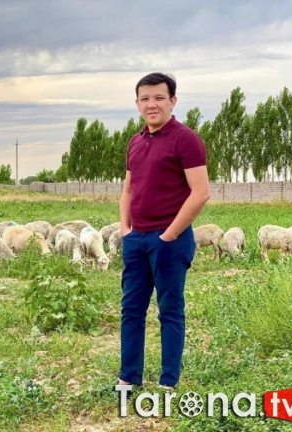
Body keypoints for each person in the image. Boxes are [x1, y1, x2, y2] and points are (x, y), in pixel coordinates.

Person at [117, 72, 211, 390]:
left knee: (169, 311)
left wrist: (169, 234)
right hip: (136, 240)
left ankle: (167, 382)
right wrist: (125, 229)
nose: (152, 104)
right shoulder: (136, 141)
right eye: (145, 98)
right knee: (131, 310)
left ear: (172, 101)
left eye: (159, 97)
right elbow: (128, 190)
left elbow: (201, 192)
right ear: (137, 103)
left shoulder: (186, 139)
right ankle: (128, 377)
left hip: (170, 241)